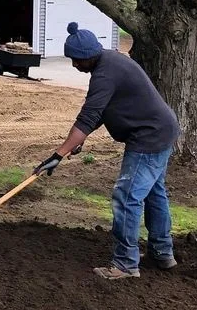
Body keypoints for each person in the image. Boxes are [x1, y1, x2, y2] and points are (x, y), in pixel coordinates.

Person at [34, 22, 180, 280]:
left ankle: (125, 264)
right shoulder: (111, 62)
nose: (74, 65)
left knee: (126, 197)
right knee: (154, 194)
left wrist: (58, 154)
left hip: (148, 137)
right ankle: (162, 252)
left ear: (88, 56)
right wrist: (78, 141)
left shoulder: (105, 74)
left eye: (76, 60)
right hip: (161, 130)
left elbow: (88, 116)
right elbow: (101, 111)